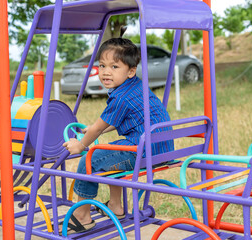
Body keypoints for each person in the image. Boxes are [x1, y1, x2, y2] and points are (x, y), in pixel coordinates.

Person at [62, 37, 174, 233]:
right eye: (102, 65)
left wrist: (80, 145)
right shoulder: (136, 87)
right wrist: (94, 128)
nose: (106, 71)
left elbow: (98, 128)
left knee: (89, 159)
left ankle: (82, 216)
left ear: (131, 71)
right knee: (112, 153)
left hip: (142, 152)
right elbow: (112, 122)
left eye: (114, 66)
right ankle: (115, 206)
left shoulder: (121, 97)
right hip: (160, 149)